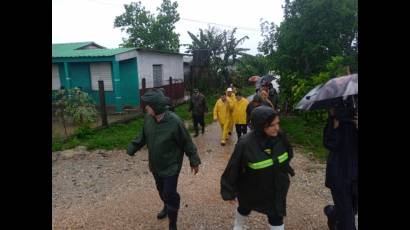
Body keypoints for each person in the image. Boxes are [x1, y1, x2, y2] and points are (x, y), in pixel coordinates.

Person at [127, 89, 201, 230]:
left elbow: (187, 142)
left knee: (169, 193)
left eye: (148, 105)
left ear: (155, 106)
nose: (146, 108)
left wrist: (194, 160)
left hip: (171, 165)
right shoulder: (149, 119)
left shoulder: (175, 122)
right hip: (155, 165)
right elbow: (142, 136)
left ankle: (172, 222)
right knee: (161, 190)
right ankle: (167, 206)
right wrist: (132, 148)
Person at [221, 106, 295, 230]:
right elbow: (233, 167)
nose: (277, 128)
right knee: (244, 207)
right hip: (252, 187)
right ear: (261, 126)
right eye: (272, 125)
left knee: (276, 215)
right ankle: (238, 226)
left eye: (278, 123)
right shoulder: (245, 143)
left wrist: (284, 169)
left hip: (277, 185)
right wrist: (229, 191)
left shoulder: (280, 136)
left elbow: (289, 152)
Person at [323, 107, 358, 230]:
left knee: (352, 209)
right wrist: (335, 127)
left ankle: (332, 213)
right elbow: (329, 143)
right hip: (339, 174)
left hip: (355, 175)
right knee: (348, 220)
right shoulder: (335, 118)